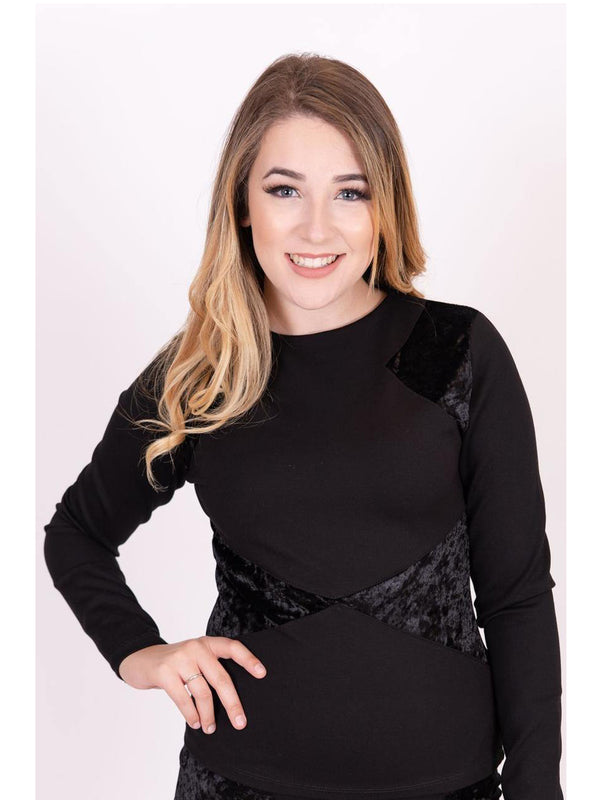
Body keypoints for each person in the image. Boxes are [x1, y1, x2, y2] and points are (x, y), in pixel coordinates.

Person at [43, 53, 563, 800]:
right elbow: (77, 533)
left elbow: (517, 597)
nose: (317, 228)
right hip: (239, 780)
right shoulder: (204, 374)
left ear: (384, 207)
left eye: (350, 192)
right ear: (242, 203)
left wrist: (538, 787)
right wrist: (141, 653)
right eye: (285, 189)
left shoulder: (453, 353)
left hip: (451, 783)